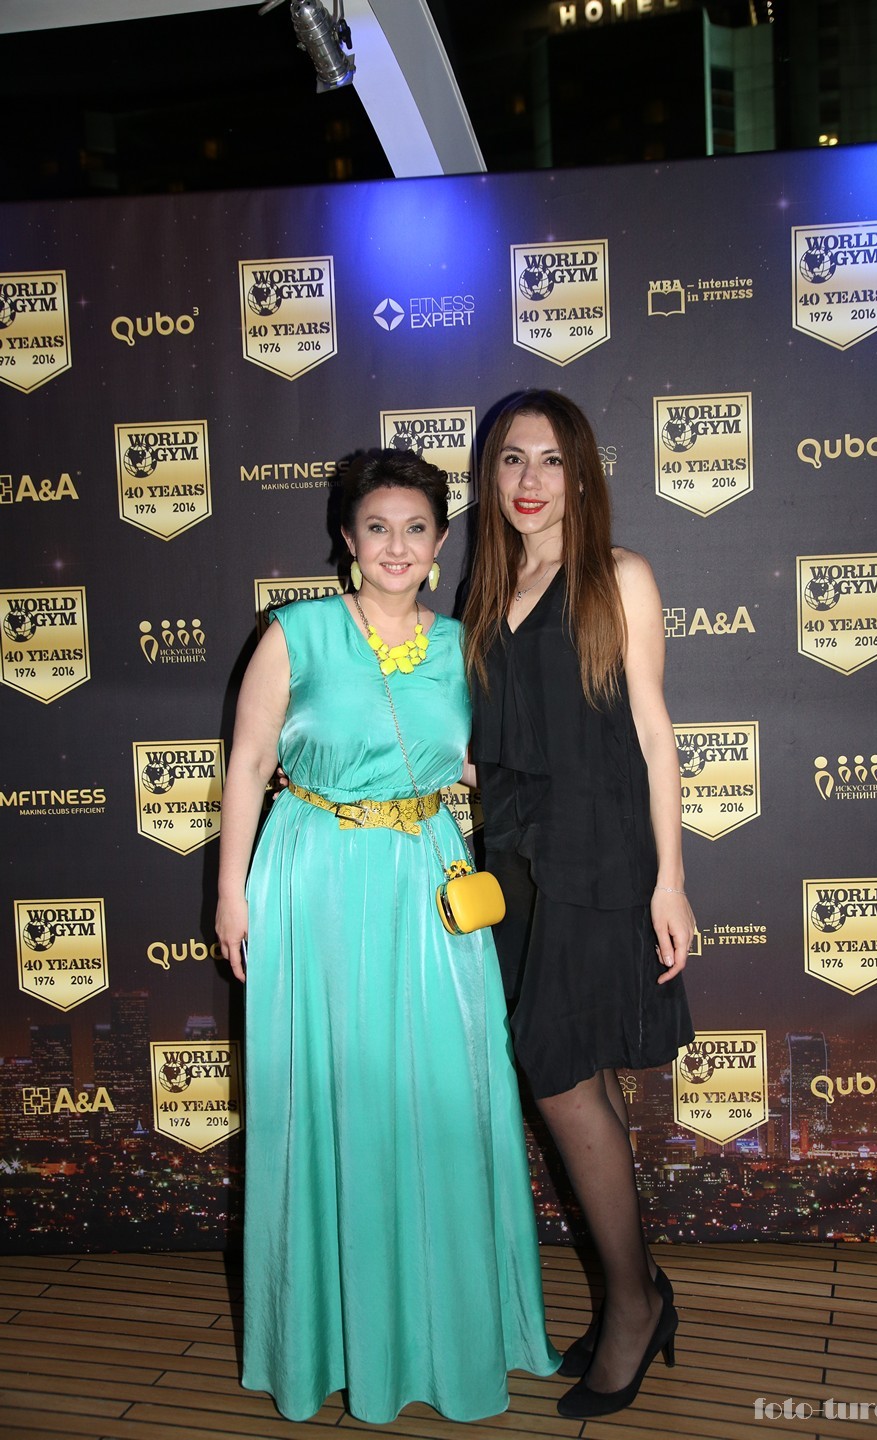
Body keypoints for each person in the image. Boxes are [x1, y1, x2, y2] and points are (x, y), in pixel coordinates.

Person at [216, 448, 559, 1425]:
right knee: (332, 1100)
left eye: (416, 529)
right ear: (347, 539)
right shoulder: (296, 633)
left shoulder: (465, 645)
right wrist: (232, 895)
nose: (397, 547)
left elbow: (492, 764)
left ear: (442, 542)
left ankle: (450, 1338)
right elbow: (248, 764)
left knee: (448, 1098)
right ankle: (331, 1342)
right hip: (314, 880)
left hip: (429, 883)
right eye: (377, 528)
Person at [463, 390, 696, 1421]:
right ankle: (633, 1293)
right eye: (512, 460)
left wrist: (671, 879)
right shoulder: (489, 589)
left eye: (551, 460)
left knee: (559, 1081)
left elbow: (653, 732)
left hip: (600, 856)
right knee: (586, 1077)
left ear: (583, 473)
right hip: (513, 861)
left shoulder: (618, 576)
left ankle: (636, 1306)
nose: (529, 481)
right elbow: (492, 744)